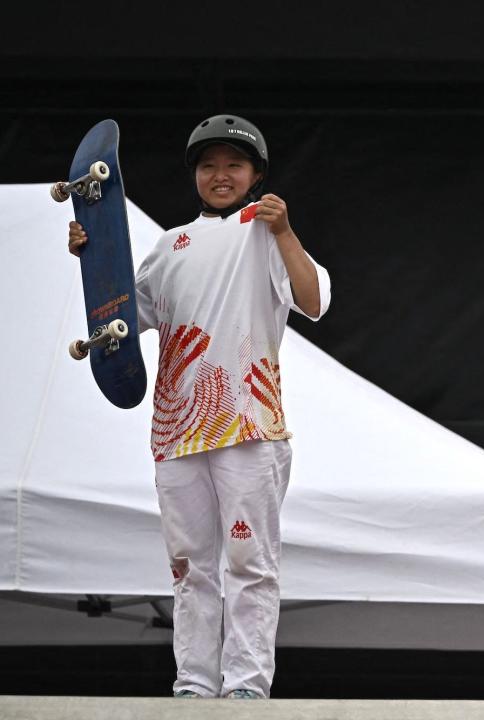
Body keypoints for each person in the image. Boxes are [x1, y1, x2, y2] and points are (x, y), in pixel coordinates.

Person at [68, 114, 331, 699]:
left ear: (256, 174)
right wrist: (91, 256)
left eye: (234, 164)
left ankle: (245, 688)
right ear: (194, 174)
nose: (220, 175)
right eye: (209, 165)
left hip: (250, 425)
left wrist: (285, 231)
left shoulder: (265, 232)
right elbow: (115, 321)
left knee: (249, 565)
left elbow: (312, 302)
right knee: (190, 571)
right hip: (177, 430)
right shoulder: (170, 246)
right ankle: (192, 686)